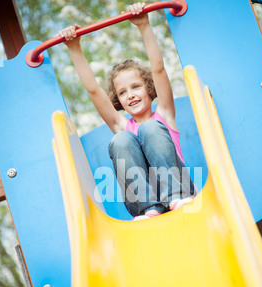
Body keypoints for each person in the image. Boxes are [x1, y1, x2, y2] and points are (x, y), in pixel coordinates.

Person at [59, 2, 196, 221]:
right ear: (119, 101)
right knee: (121, 139)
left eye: (136, 87)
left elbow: (158, 68)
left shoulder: (165, 113)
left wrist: (144, 25)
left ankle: (176, 196)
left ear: (149, 88)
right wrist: (74, 48)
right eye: (122, 93)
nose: (130, 95)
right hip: (144, 204)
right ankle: (148, 208)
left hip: (180, 190)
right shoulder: (122, 125)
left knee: (150, 128)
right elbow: (94, 91)